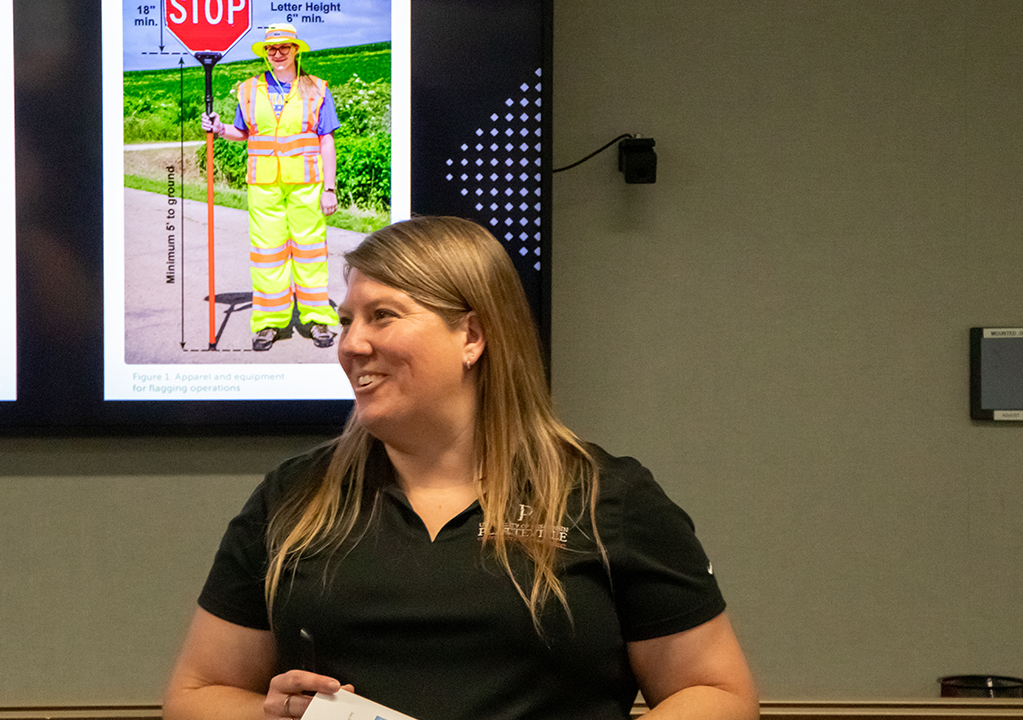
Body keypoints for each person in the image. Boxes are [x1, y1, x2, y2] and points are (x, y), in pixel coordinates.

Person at [164, 217, 758, 720]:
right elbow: (195, 695)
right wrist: (272, 716)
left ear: (471, 335)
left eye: (383, 316)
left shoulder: (607, 497)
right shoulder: (295, 497)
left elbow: (718, 693)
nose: (351, 344)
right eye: (347, 321)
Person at [201, 23, 342, 352]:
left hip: (307, 184)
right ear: (265, 53)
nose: (277, 53)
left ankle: (317, 319)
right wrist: (220, 128)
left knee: (310, 254)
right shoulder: (248, 90)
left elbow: (327, 141)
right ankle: (269, 323)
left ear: (296, 50)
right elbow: (242, 132)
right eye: (271, 48)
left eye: (284, 47)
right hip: (263, 186)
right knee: (267, 256)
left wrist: (330, 188)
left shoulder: (317, 89)